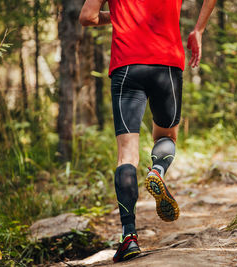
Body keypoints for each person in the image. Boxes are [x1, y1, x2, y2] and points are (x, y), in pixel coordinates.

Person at [79, 0, 216, 262]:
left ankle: (129, 237)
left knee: (127, 156)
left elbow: (87, 17)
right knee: (165, 136)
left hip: (127, 66)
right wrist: (198, 30)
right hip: (167, 64)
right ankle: (158, 171)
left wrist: (117, 16)